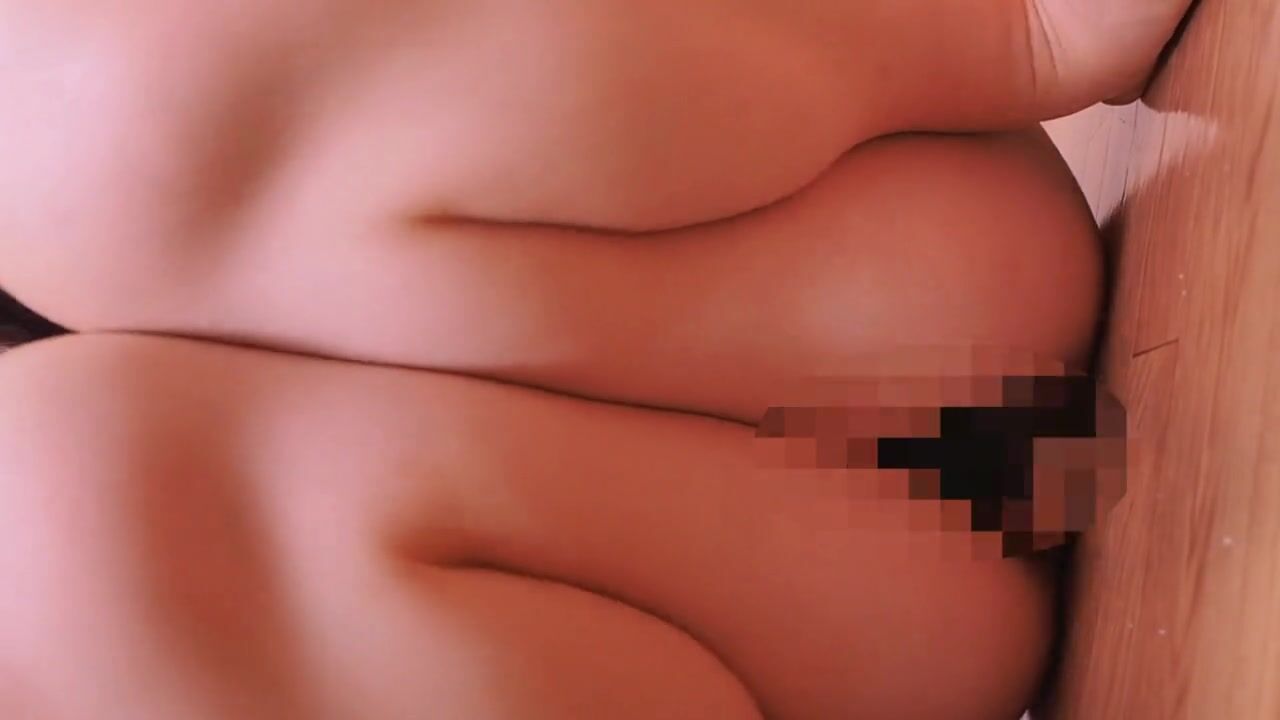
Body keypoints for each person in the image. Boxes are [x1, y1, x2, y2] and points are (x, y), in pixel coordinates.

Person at [0, 1, 1193, 718]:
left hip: (911, 603)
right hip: (955, 285)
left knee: (61, 515)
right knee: (81, 137)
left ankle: (1004, 32)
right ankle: (1009, 27)